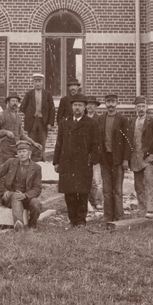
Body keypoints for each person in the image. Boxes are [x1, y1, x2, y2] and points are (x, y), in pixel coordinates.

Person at [53, 94, 98, 228]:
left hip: (83, 163)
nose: (77, 108)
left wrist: (91, 159)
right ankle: (72, 219)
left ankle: (81, 220)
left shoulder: (92, 123)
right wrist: (56, 162)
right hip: (67, 163)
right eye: (75, 105)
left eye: (80, 105)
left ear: (84, 107)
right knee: (69, 192)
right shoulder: (64, 123)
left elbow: (96, 144)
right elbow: (59, 143)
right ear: (71, 107)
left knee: (82, 192)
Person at [0, 139, 43, 231]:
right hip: (10, 197)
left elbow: (37, 188)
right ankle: (19, 225)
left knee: (36, 203)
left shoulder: (36, 168)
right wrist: (3, 191)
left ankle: (32, 226)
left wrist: (25, 195)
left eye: (24, 151)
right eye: (19, 152)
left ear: (29, 152)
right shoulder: (11, 162)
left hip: (27, 197)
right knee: (16, 196)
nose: (21, 154)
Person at [97, 93, 132, 222]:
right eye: (108, 102)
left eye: (113, 102)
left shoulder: (123, 120)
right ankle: (108, 216)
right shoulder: (100, 119)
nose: (110, 105)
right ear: (105, 103)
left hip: (118, 159)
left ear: (117, 103)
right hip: (105, 158)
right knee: (106, 189)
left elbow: (127, 141)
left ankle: (119, 216)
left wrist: (125, 159)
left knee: (117, 190)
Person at [129, 95, 153, 218]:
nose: (141, 109)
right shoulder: (131, 122)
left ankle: (150, 208)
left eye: (143, 106)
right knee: (138, 185)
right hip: (135, 158)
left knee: (148, 181)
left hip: (148, 159)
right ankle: (142, 209)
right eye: (138, 106)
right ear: (135, 108)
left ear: (147, 107)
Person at [0, 93, 38, 167]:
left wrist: (33, 143)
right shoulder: (2, 115)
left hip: (17, 148)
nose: (15, 103)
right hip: (6, 149)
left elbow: (21, 135)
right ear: (8, 102)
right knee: (7, 169)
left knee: (16, 170)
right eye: (12, 101)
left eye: (16, 101)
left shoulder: (18, 117)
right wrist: (5, 132)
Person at [19, 72, 55, 161]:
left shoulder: (47, 94)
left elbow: (52, 109)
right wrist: (30, 114)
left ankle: (42, 159)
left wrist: (50, 123)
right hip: (32, 122)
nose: (37, 83)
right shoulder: (29, 94)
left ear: (42, 82)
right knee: (32, 140)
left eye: (39, 81)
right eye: (35, 81)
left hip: (43, 121)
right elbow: (22, 107)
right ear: (33, 82)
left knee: (42, 140)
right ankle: (32, 160)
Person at [84, 96, 103, 211]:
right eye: (88, 104)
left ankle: (98, 201)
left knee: (97, 180)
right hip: (84, 155)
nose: (90, 106)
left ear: (96, 106)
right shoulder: (82, 119)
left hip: (95, 154)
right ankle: (88, 202)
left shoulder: (100, 119)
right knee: (86, 179)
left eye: (92, 104)